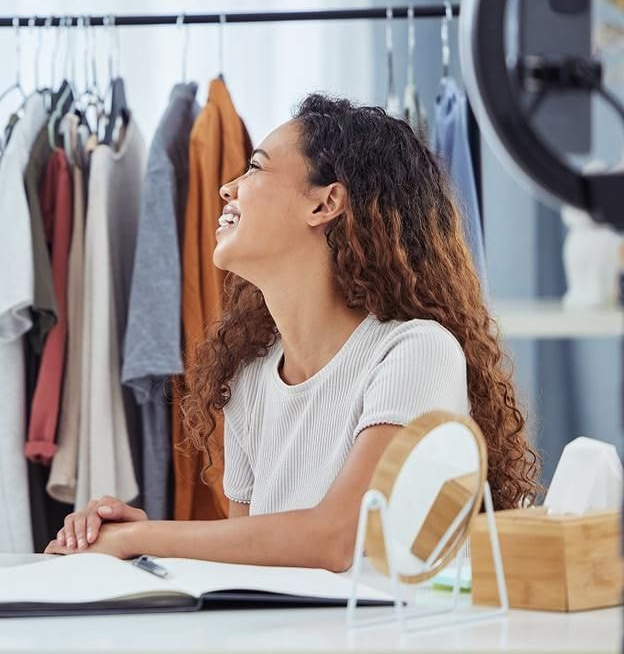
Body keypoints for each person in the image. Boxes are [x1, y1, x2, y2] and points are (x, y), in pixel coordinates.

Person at [46, 94, 539, 570]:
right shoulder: (249, 380)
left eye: (255, 168)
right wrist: (140, 539)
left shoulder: (415, 351)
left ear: (325, 204)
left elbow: (335, 539)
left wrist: (137, 538)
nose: (228, 188)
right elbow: (252, 559)